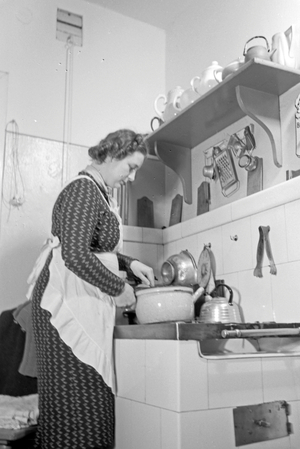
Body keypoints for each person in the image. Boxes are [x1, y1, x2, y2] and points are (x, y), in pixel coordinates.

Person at [29, 129, 155, 449]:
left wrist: (130, 264)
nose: (133, 176)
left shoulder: (98, 192)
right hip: (65, 307)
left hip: (77, 301)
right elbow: (74, 254)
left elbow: (95, 248)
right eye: (130, 167)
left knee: (86, 405)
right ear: (111, 156)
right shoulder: (83, 191)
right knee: (76, 405)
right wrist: (119, 289)